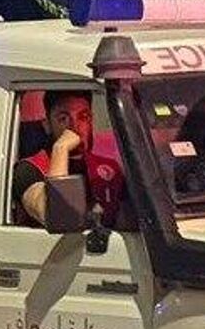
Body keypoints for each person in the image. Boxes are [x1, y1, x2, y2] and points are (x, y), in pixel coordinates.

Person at [12, 90, 123, 228]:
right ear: (47, 125)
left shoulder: (109, 168)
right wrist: (61, 148)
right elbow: (57, 217)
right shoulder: (28, 169)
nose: (75, 127)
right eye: (63, 118)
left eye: (83, 117)